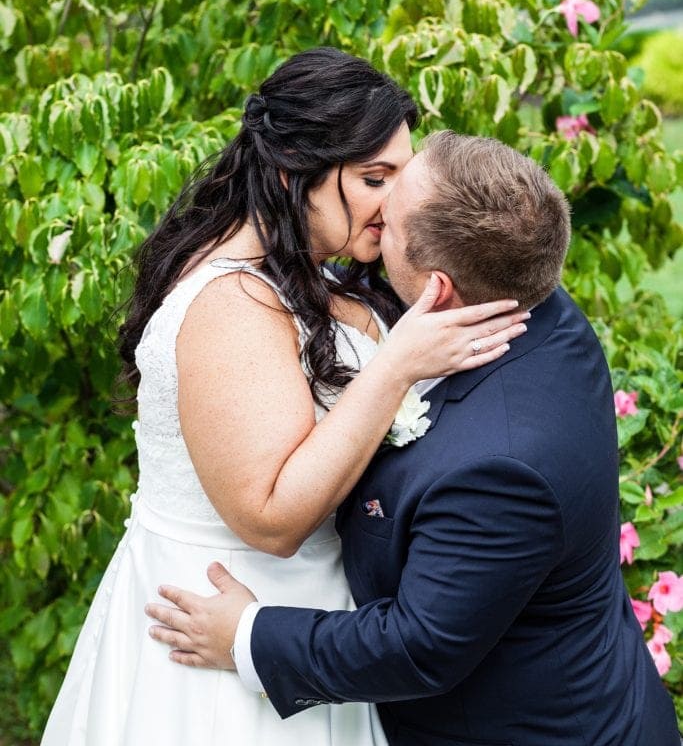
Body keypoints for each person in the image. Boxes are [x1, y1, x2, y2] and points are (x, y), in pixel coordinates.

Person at [41, 51, 528, 746]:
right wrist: (393, 371)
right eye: (371, 178)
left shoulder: (293, 269)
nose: (393, 203)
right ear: (290, 170)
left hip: (299, 617)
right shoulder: (231, 305)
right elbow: (269, 519)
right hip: (221, 626)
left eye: (399, 175)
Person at [145, 132, 681, 746]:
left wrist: (246, 635)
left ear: (439, 290)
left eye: (391, 223)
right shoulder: (526, 291)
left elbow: (416, 647)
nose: (376, 219)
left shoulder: (503, 467)